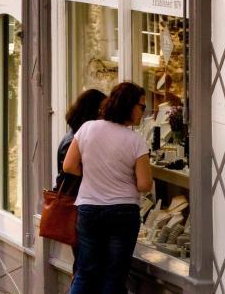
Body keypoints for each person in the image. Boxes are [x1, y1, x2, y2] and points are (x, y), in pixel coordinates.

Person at [63, 82, 152, 294]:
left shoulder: (87, 128)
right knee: (114, 275)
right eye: (142, 107)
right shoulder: (136, 141)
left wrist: (94, 174)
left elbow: (69, 165)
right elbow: (144, 184)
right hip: (123, 212)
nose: (143, 112)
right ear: (129, 106)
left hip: (89, 208)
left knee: (86, 272)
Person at [56, 88, 107, 272]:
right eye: (102, 111)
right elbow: (70, 170)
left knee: (84, 266)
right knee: (84, 268)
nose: (105, 116)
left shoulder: (75, 136)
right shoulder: (74, 140)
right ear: (92, 112)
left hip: (79, 206)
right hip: (76, 206)